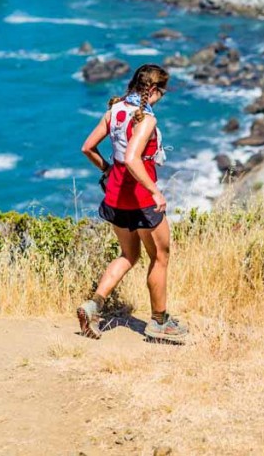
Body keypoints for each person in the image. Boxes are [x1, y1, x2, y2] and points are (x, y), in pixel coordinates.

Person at [76, 63, 189, 343]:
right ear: (152, 90)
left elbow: (87, 147)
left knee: (128, 255)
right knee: (160, 257)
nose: (162, 96)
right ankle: (159, 322)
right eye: (161, 91)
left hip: (115, 197)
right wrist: (155, 192)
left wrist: (106, 170)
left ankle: (93, 307)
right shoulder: (147, 120)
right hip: (140, 200)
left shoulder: (114, 110)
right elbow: (132, 159)